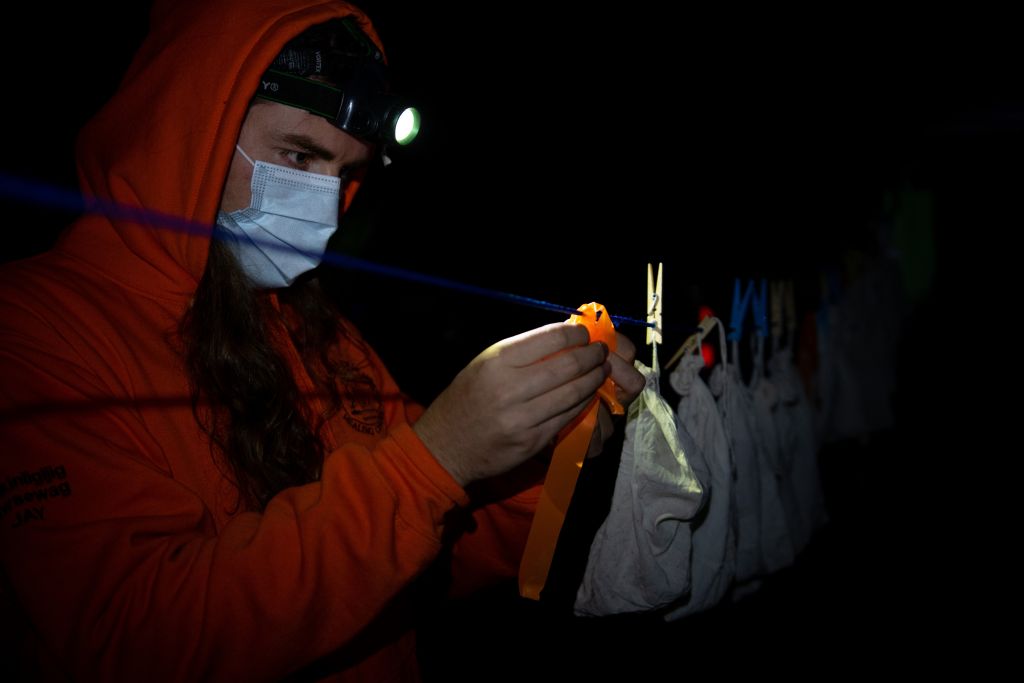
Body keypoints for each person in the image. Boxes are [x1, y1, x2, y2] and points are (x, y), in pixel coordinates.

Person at [0, 0, 644, 680]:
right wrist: (440, 455)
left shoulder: (316, 331)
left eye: (343, 172)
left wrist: (540, 449)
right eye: (298, 154)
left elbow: (426, 555)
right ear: (190, 128)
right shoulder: (34, 330)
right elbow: (133, 639)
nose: (323, 202)